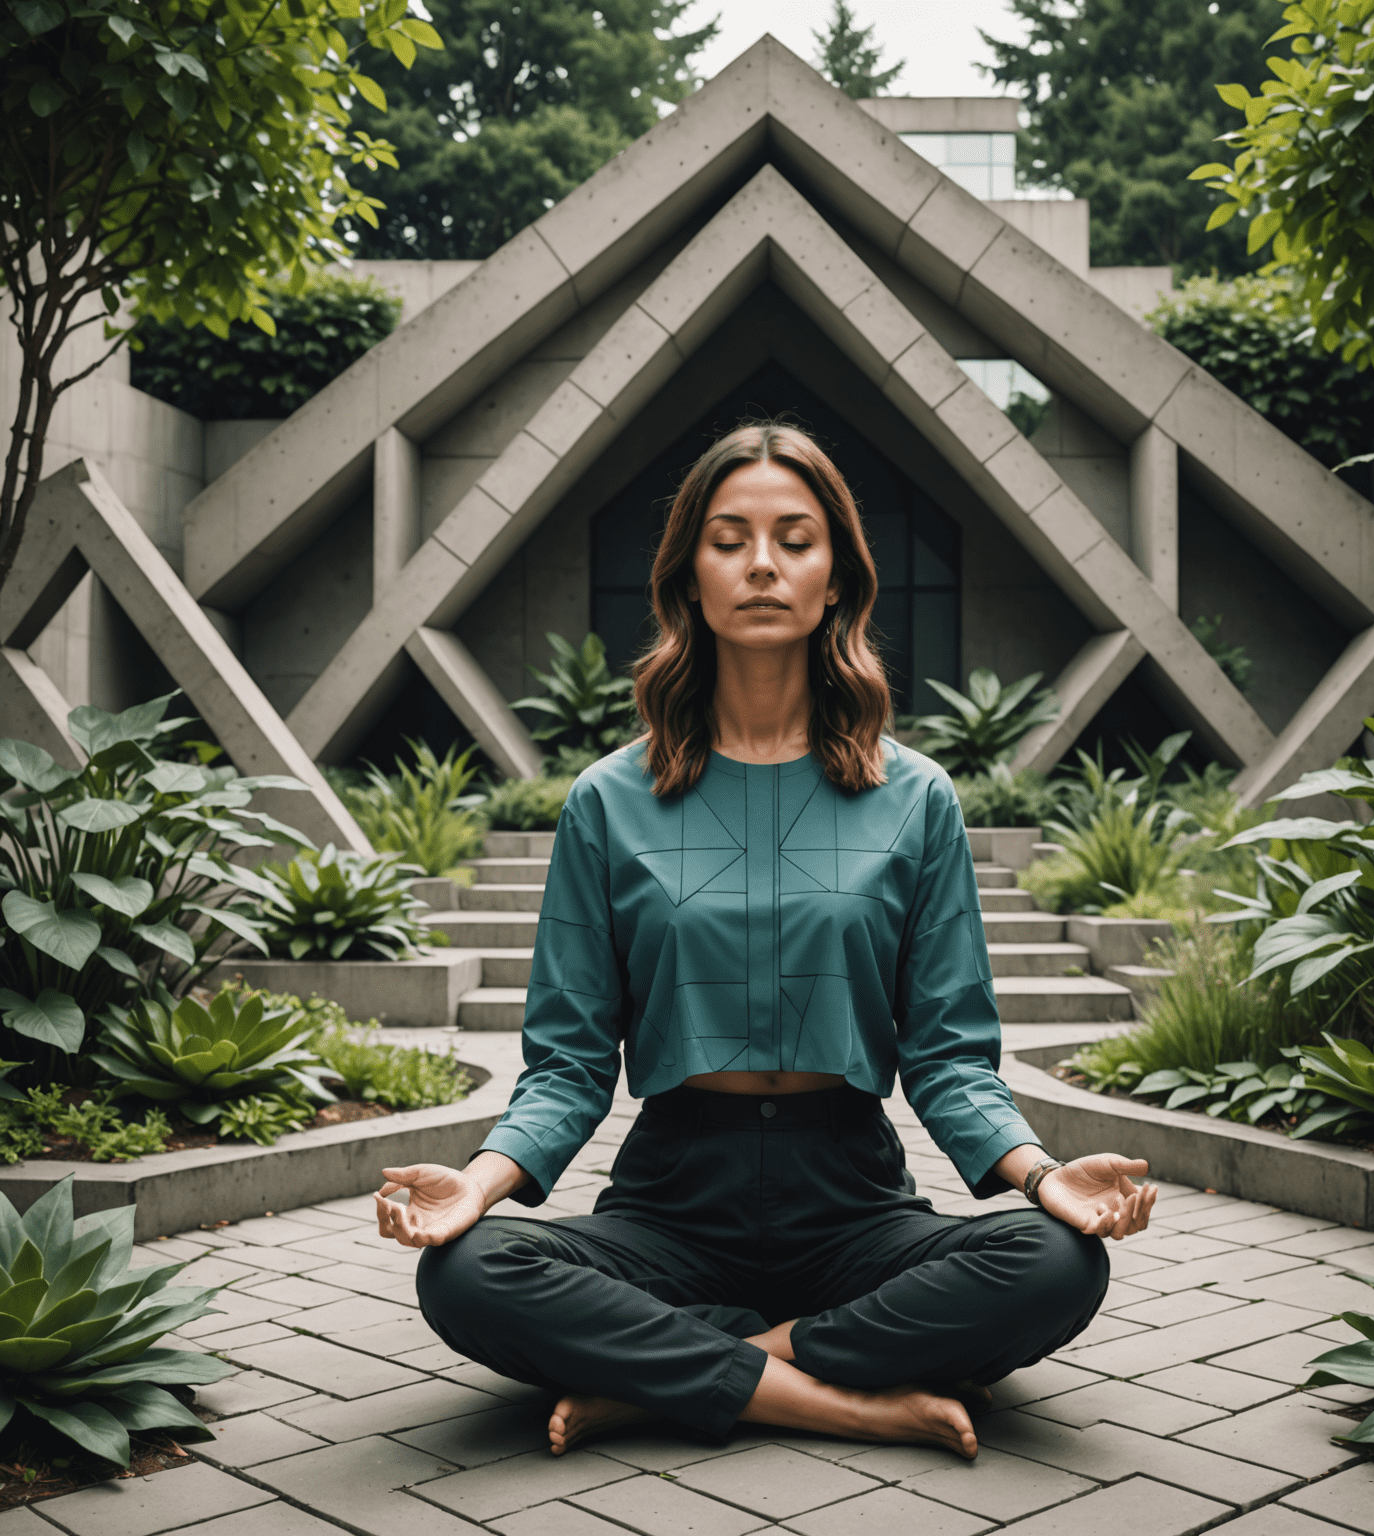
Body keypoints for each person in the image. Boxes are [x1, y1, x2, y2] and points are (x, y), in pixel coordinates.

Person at [375, 422, 1157, 1461]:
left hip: (853, 1200)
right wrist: (472, 1189)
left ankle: (665, 1379)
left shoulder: (913, 796)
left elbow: (950, 1056)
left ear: (835, 579)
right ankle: (836, 1397)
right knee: (466, 1274)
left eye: (795, 538)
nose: (760, 565)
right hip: (669, 1200)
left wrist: (1041, 1176)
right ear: (687, 577)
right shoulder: (607, 801)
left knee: (1059, 1263)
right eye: (729, 538)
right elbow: (565, 1066)